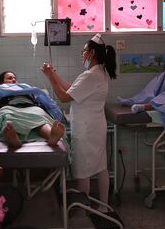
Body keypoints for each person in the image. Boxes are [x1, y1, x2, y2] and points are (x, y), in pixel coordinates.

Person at [41, 33, 117, 212]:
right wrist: (54, 75)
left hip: (86, 129)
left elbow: (64, 97)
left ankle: (84, 211)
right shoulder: (100, 73)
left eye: (83, 51)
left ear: (91, 53)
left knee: (83, 171)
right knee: (100, 166)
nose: (81, 54)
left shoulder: (91, 75)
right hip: (96, 126)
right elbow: (72, 88)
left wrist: (49, 77)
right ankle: (104, 207)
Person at [0, 70, 65, 149]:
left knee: (40, 116)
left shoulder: (27, 89)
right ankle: (14, 138)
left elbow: (45, 102)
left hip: (31, 107)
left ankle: (51, 135)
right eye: (9, 78)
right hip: (8, 108)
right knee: (8, 118)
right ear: (1, 83)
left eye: (14, 78)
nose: (13, 80)